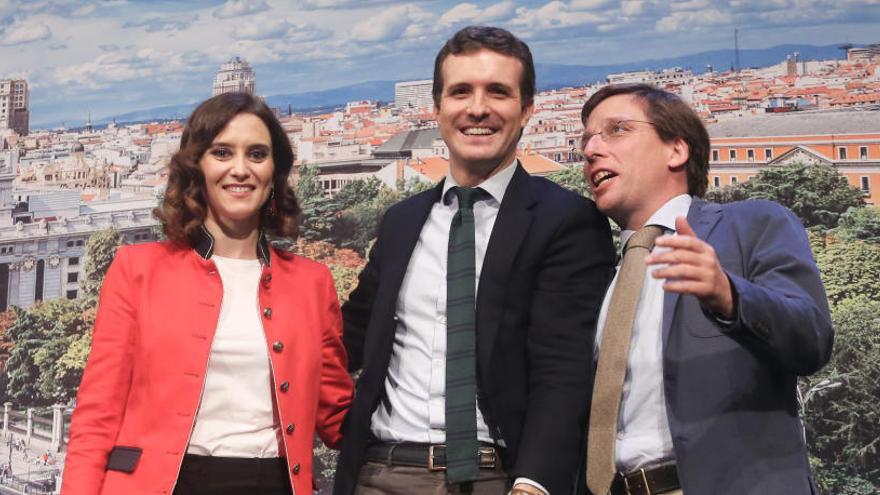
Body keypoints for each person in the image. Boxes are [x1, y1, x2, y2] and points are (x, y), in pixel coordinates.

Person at [334, 26, 615, 495]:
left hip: (496, 477)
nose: (478, 108)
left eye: (498, 92)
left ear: (526, 109)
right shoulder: (402, 221)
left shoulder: (566, 221)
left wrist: (535, 483)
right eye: (460, 91)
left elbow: (563, 367)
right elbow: (347, 338)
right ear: (437, 108)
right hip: (378, 472)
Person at [61, 92, 353, 495]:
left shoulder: (312, 282)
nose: (240, 169)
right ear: (196, 168)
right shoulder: (137, 269)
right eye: (221, 152)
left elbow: (337, 416)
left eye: (256, 154)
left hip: (273, 484)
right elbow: (97, 417)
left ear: (274, 173)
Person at [578, 83, 833, 495]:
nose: (590, 149)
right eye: (586, 138)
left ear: (676, 150)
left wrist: (730, 296)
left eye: (616, 130)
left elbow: (812, 340)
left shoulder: (753, 224)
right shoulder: (596, 271)